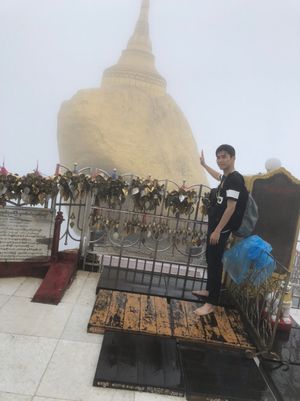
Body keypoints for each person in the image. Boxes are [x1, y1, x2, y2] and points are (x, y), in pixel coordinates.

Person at [193, 144, 248, 316]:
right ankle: (210, 290)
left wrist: (217, 230)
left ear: (232, 158)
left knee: (215, 262)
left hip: (221, 228)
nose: (220, 160)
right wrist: (204, 165)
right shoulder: (226, 178)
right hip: (215, 225)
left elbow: (231, 208)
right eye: (218, 157)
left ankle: (211, 303)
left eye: (224, 156)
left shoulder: (235, 180)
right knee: (210, 258)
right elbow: (218, 176)